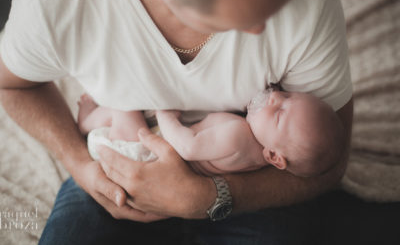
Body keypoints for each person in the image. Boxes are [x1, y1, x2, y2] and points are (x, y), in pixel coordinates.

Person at [0, 0, 353, 244]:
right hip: (119, 177)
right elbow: (11, 86)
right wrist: (78, 164)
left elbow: (327, 160)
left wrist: (206, 197)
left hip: (252, 190)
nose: (261, 30)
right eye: (240, 14)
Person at [79, 88, 344, 178]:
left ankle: (87, 121)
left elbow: (188, 147)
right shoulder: (256, 153)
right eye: (285, 95)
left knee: (125, 101)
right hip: (147, 151)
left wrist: (165, 115)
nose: (274, 96)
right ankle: (90, 119)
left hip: (140, 155)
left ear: (274, 156)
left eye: (278, 113)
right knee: (121, 110)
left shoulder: (239, 135)